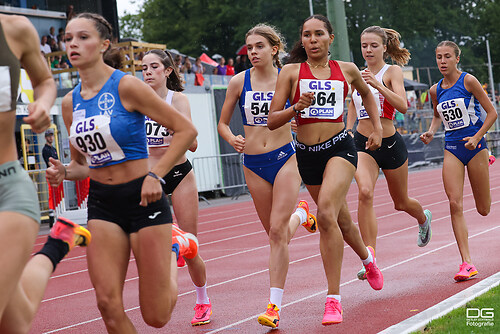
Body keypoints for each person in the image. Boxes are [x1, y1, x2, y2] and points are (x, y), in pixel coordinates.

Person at [45, 13, 199, 332]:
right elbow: (83, 164)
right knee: (107, 305)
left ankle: (176, 245)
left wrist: (155, 175)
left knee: (156, 316)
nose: (73, 43)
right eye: (68, 38)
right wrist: (64, 171)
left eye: (83, 37)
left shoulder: (126, 86)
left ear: (104, 44)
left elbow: (185, 131)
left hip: (143, 199)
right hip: (103, 204)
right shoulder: (70, 102)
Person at [268, 15, 384, 325]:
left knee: (326, 216)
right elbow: (271, 120)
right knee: (342, 223)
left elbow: (368, 97)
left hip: (339, 148)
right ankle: (368, 259)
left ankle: (333, 299)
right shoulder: (291, 73)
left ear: (330, 37)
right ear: (302, 40)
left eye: (319, 34)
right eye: (307, 35)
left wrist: (375, 127)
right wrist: (296, 108)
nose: (313, 39)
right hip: (307, 155)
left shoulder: (346, 70)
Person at [218, 23, 318, 329]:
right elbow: (222, 123)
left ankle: (274, 305)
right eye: (249, 48)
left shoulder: (288, 78)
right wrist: (231, 137)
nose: (252, 53)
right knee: (275, 235)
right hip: (253, 163)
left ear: (274, 49)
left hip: (284, 158)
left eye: (259, 46)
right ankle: (300, 215)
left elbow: (302, 117)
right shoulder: (238, 82)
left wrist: (298, 120)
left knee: (276, 233)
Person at [0, 13, 91, 333]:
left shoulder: (15, 29)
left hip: (7, 187)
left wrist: (43, 103)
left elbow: (44, 81)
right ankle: (57, 243)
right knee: (15, 321)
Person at [346, 26, 433, 282]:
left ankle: (422, 217)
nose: (368, 50)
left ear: (384, 47)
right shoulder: (357, 73)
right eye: (364, 46)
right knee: (364, 192)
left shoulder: (391, 71)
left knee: (401, 202)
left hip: (390, 143)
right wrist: (348, 130)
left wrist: (377, 85)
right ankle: (369, 258)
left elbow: (404, 106)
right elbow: (353, 101)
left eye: (374, 45)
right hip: (363, 143)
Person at [142, 49, 212, 326]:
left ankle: (202, 299)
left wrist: (171, 126)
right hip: (150, 179)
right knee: (152, 246)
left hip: (179, 174)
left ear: (167, 71)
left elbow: (192, 143)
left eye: (153, 66)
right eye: (143, 67)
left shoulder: (178, 99)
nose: (147, 72)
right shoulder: (138, 102)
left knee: (191, 244)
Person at [420, 40, 497, 281]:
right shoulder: (435, 90)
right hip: (452, 147)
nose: (442, 61)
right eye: (439, 57)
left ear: (456, 59)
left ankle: (487, 156)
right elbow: (436, 115)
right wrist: (432, 131)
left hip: (474, 147)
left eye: (447, 57)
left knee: (484, 209)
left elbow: (492, 113)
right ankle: (467, 262)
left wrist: (476, 138)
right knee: (454, 203)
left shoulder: (469, 81)